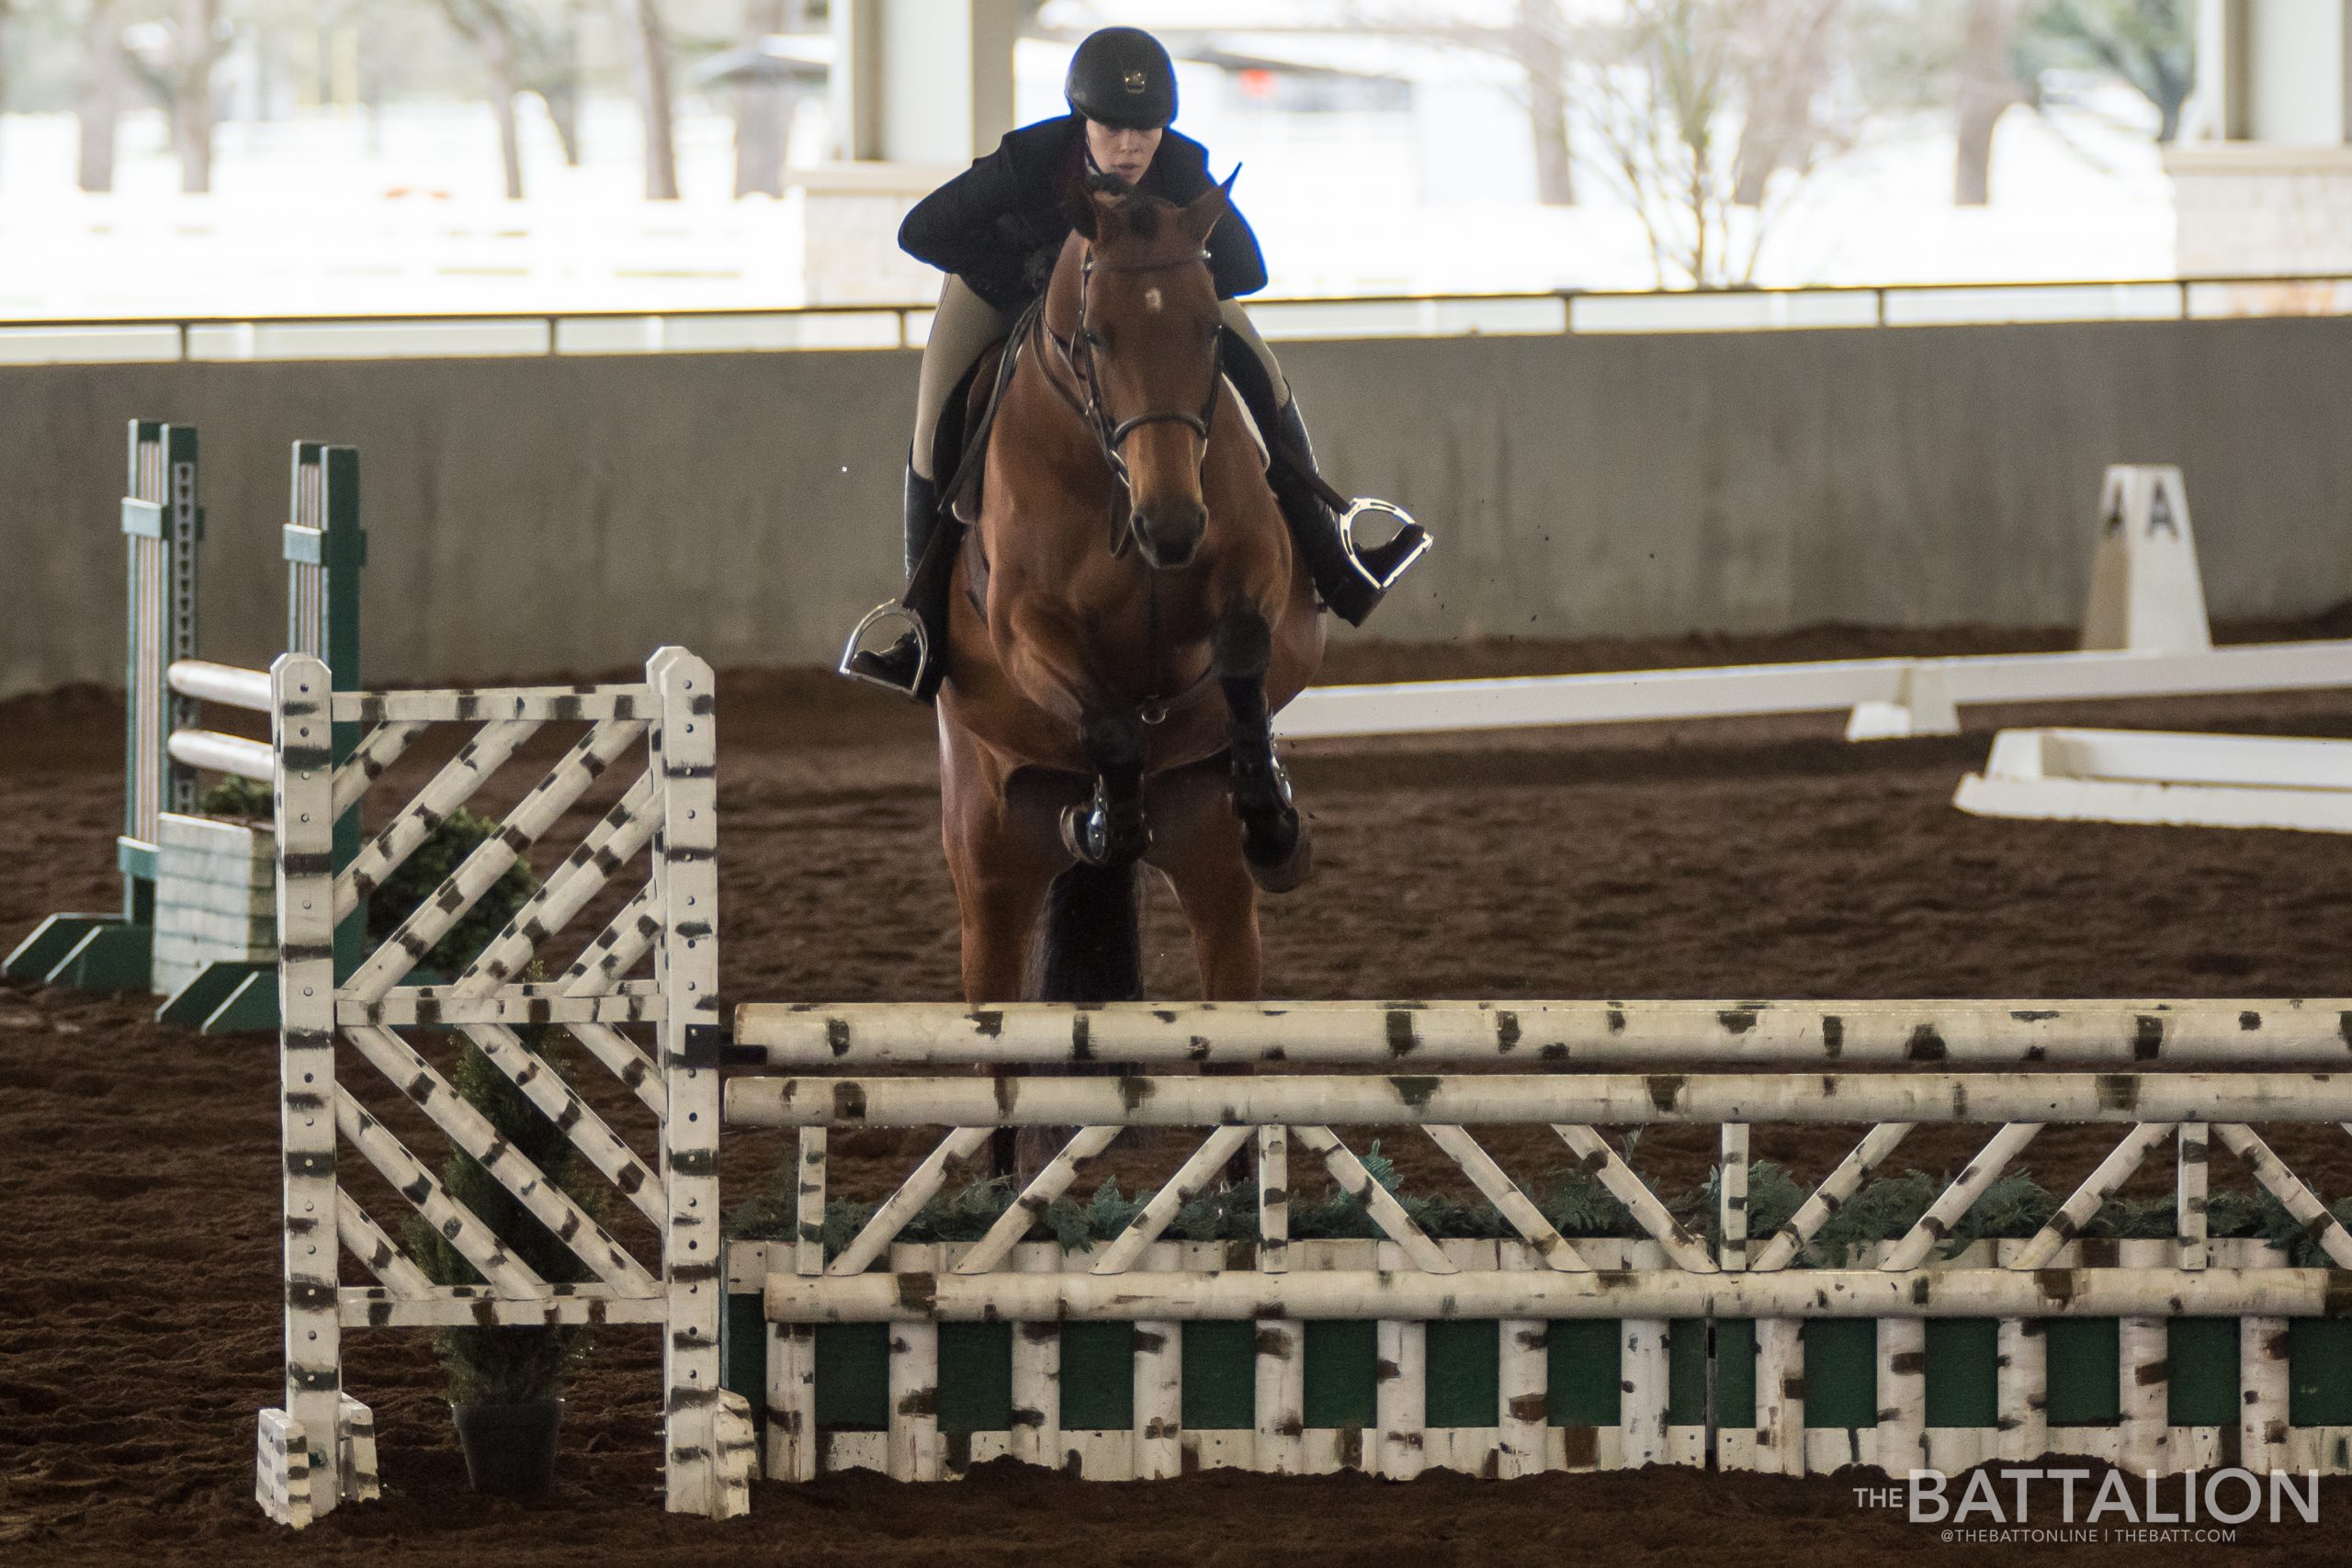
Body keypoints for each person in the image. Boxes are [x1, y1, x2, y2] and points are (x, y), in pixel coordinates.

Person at [844, 25, 1429, 701]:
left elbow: (1246, 270)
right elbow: (919, 231)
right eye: (1113, 128)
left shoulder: (1181, 164)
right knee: (934, 411)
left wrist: (1173, 260)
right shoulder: (1030, 159)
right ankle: (919, 625)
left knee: (1261, 369)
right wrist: (1035, 266)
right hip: (1006, 291)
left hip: (1140, 302)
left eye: (1146, 130)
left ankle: (1336, 561)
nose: (1130, 146)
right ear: (1081, 120)